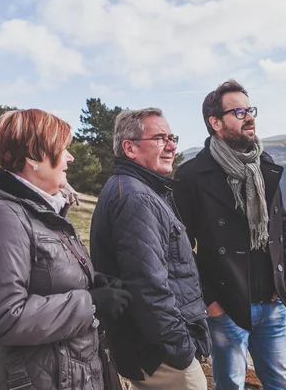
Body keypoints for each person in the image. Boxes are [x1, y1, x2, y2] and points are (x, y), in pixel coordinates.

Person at [0, 109, 132, 390]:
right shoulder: (3, 218)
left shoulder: (43, 210)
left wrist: (92, 282)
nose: (70, 158)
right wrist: (91, 303)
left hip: (66, 372)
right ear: (32, 157)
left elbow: (45, 277)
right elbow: (2, 318)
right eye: (62, 149)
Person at [174, 80, 286, 390]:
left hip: (272, 302)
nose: (250, 117)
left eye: (250, 109)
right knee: (230, 385)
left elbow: (280, 225)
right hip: (226, 305)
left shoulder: (264, 165)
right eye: (239, 111)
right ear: (216, 123)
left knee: (281, 384)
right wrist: (210, 301)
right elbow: (180, 246)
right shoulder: (192, 176)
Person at [89, 108, 211, 390]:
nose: (171, 146)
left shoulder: (138, 190)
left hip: (153, 349)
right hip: (160, 355)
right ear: (129, 148)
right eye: (159, 138)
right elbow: (147, 286)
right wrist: (181, 351)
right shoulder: (136, 198)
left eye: (172, 137)